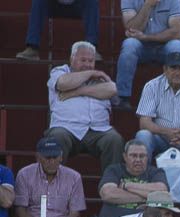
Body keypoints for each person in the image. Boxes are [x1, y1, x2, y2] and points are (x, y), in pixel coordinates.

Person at [75, 140, 173, 217]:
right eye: (133, 155)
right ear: (125, 157)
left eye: (142, 156)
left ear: (148, 158)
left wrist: (127, 186)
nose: (138, 159)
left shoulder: (155, 172)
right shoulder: (114, 170)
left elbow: (162, 192)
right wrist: (146, 196)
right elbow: (107, 193)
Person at [43, 41, 122, 173]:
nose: (87, 64)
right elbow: (62, 84)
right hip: (67, 128)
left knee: (114, 139)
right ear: (71, 59)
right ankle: (54, 188)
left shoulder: (99, 78)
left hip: (98, 130)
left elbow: (112, 89)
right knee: (57, 137)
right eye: (83, 60)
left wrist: (78, 92)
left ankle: (111, 187)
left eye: (91, 61)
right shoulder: (61, 71)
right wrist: (90, 74)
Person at [14, 137, 86, 217]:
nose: (51, 161)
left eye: (55, 157)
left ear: (61, 157)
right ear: (38, 157)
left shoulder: (74, 177)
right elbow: (20, 211)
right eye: (47, 158)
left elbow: (75, 214)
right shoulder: (24, 174)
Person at [113, 0, 180, 111]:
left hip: (165, 45)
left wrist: (146, 37)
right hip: (140, 46)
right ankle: (123, 97)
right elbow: (132, 28)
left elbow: (176, 32)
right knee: (129, 45)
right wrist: (148, 4)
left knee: (177, 47)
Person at [17, 0, 99, 60]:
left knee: (92, 1)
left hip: (78, 6)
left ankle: (92, 50)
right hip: (53, 5)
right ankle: (32, 48)